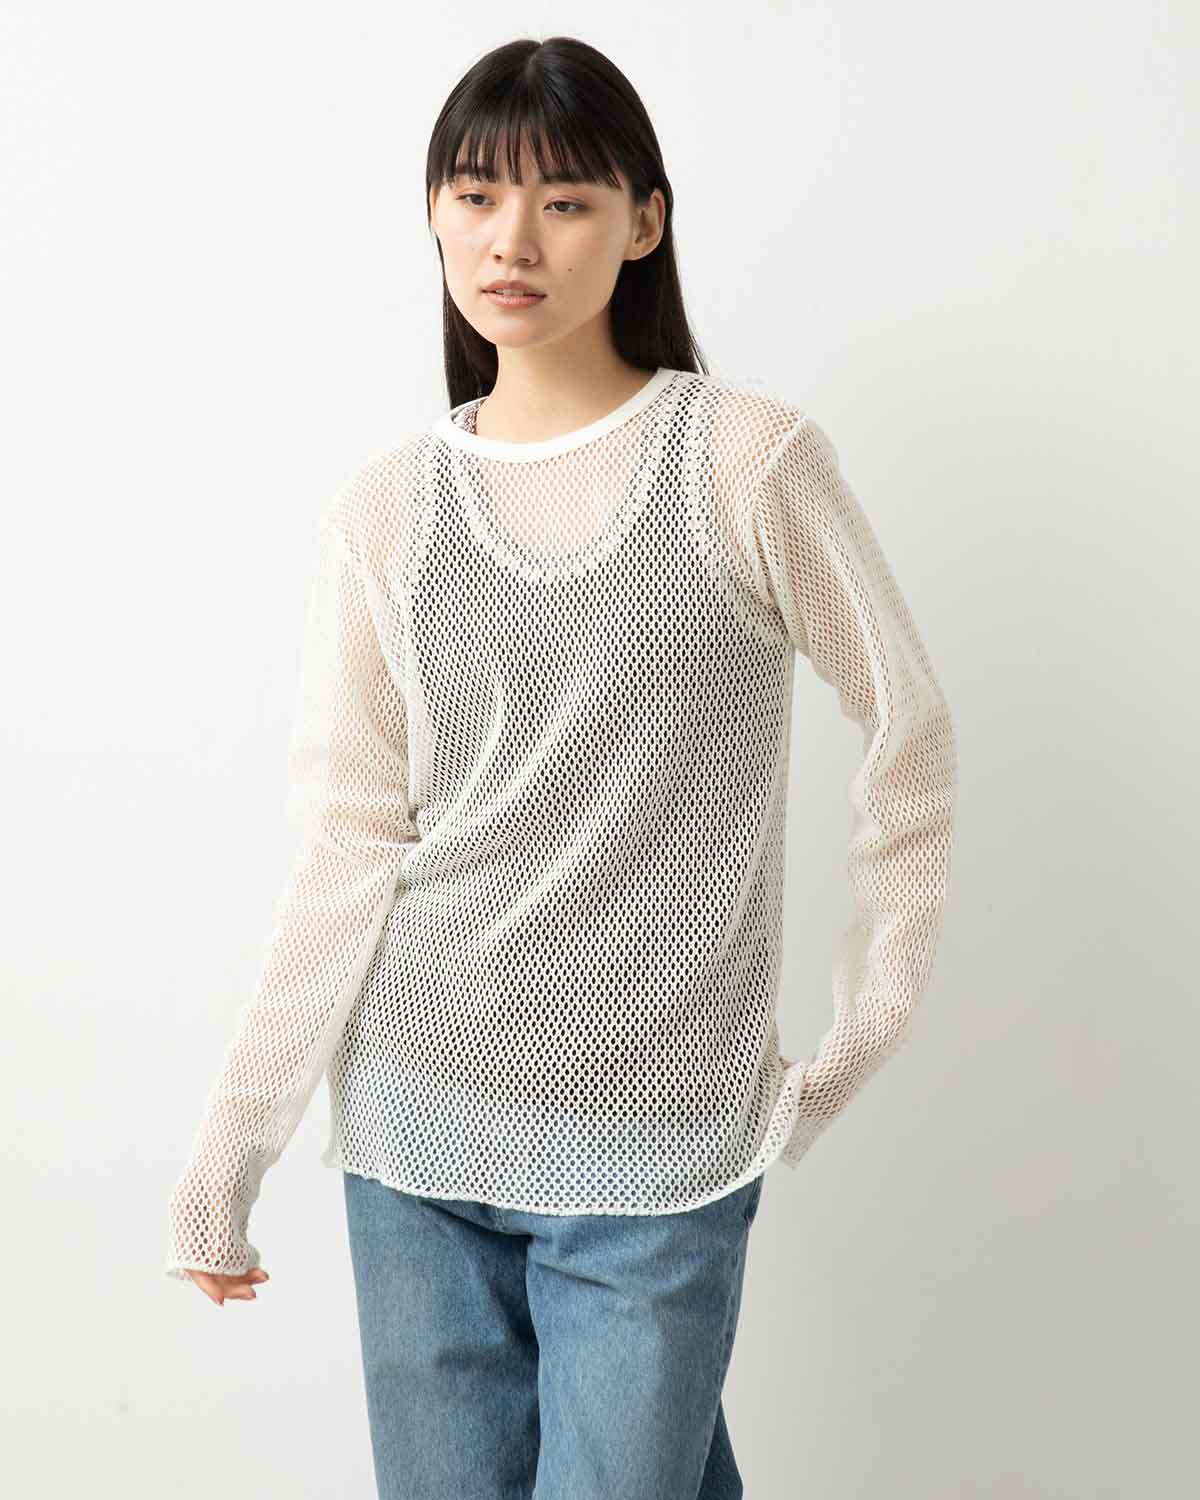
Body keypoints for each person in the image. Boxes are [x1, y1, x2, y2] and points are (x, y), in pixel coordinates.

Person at [164, 33, 959, 1500]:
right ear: (435, 215)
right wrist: (231, 1151)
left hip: (661, 1139)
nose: (511, 241)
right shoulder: (387, 508)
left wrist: (861, 1034)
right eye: (475, 196)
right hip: (416, 1124)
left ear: (643, 222)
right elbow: (347, 847)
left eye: (565, 201)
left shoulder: (747, 465)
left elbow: (910, 737)